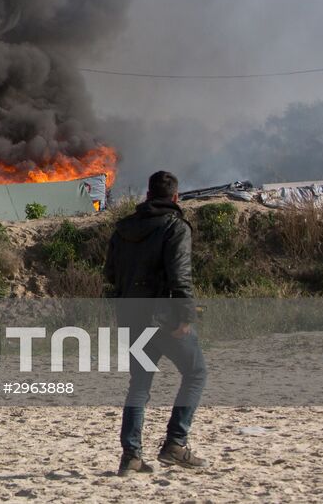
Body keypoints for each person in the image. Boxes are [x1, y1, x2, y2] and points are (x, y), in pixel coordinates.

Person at [104, 169, 208, 476]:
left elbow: (110, 274)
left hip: (131, 317)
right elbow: (181, 277)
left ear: (147, 196)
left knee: (139, 384)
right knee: (196, 373)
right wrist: (186, 316)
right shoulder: (176, 228)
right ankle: (175, 444)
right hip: (163, 318)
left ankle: (131, 456)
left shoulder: (123, 229)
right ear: (175, 197)